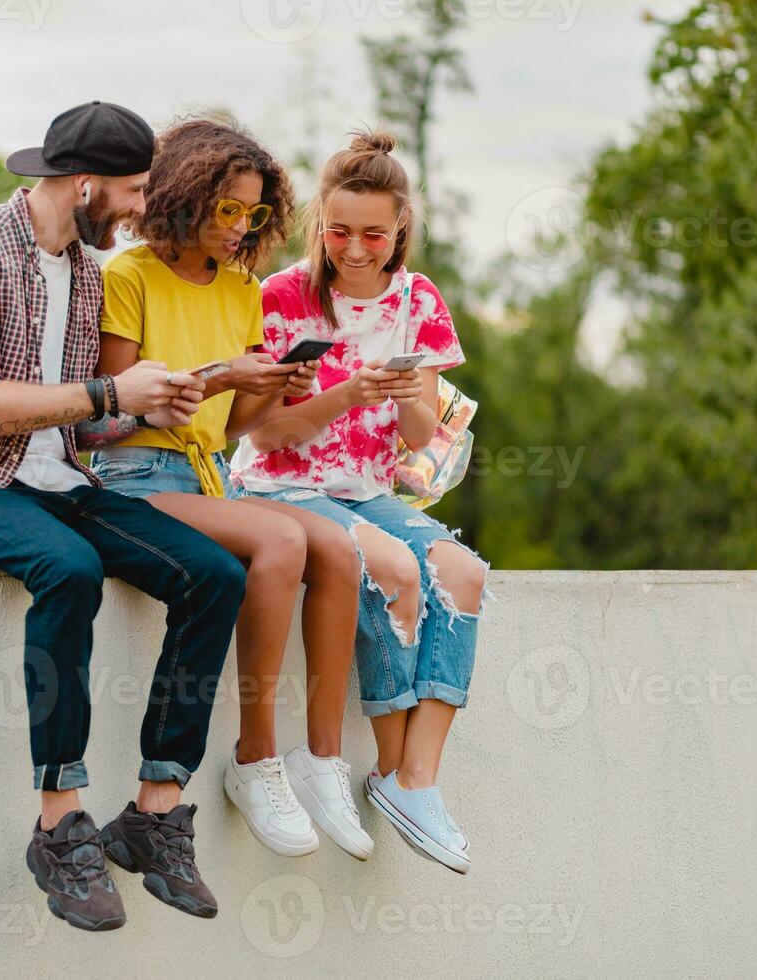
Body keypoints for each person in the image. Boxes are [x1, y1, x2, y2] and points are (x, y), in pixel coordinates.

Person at [0, 101, 247, 931]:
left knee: (214, 574)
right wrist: (110, 392)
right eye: (132, 190)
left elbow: (81, 418)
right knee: (71, 571)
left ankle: (154, 811)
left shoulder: (84, 271)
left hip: (60, 478)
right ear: (83, 183)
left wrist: (159, 399)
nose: (140, 209)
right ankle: (59, 823)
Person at [77, 117, 375, 863]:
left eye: (252, 213)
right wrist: (212, 378)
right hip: (132, 481)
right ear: (182, 197)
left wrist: (277, 385)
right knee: (278, 538)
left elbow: (235, 425)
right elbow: (101, 420)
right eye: (227, 211)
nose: (242, 228)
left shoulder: (242, 288)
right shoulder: (128, 276)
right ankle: (255, 758)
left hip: (206, 478)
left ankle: (322, 760)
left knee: (333, 546)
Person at [231, 130, 489, 875]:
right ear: (319, 222)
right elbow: (264, 432)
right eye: (338, 231)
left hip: (371, 489)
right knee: (394, 572)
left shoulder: (419, 301)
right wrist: (345, 393)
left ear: (400, 226)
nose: (355, 248)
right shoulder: (281, 299)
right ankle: (382, 766)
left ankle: (415, 782)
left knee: (463, 573)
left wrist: (413, 397)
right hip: (284, 484)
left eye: (374, 233)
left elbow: (422, 442)